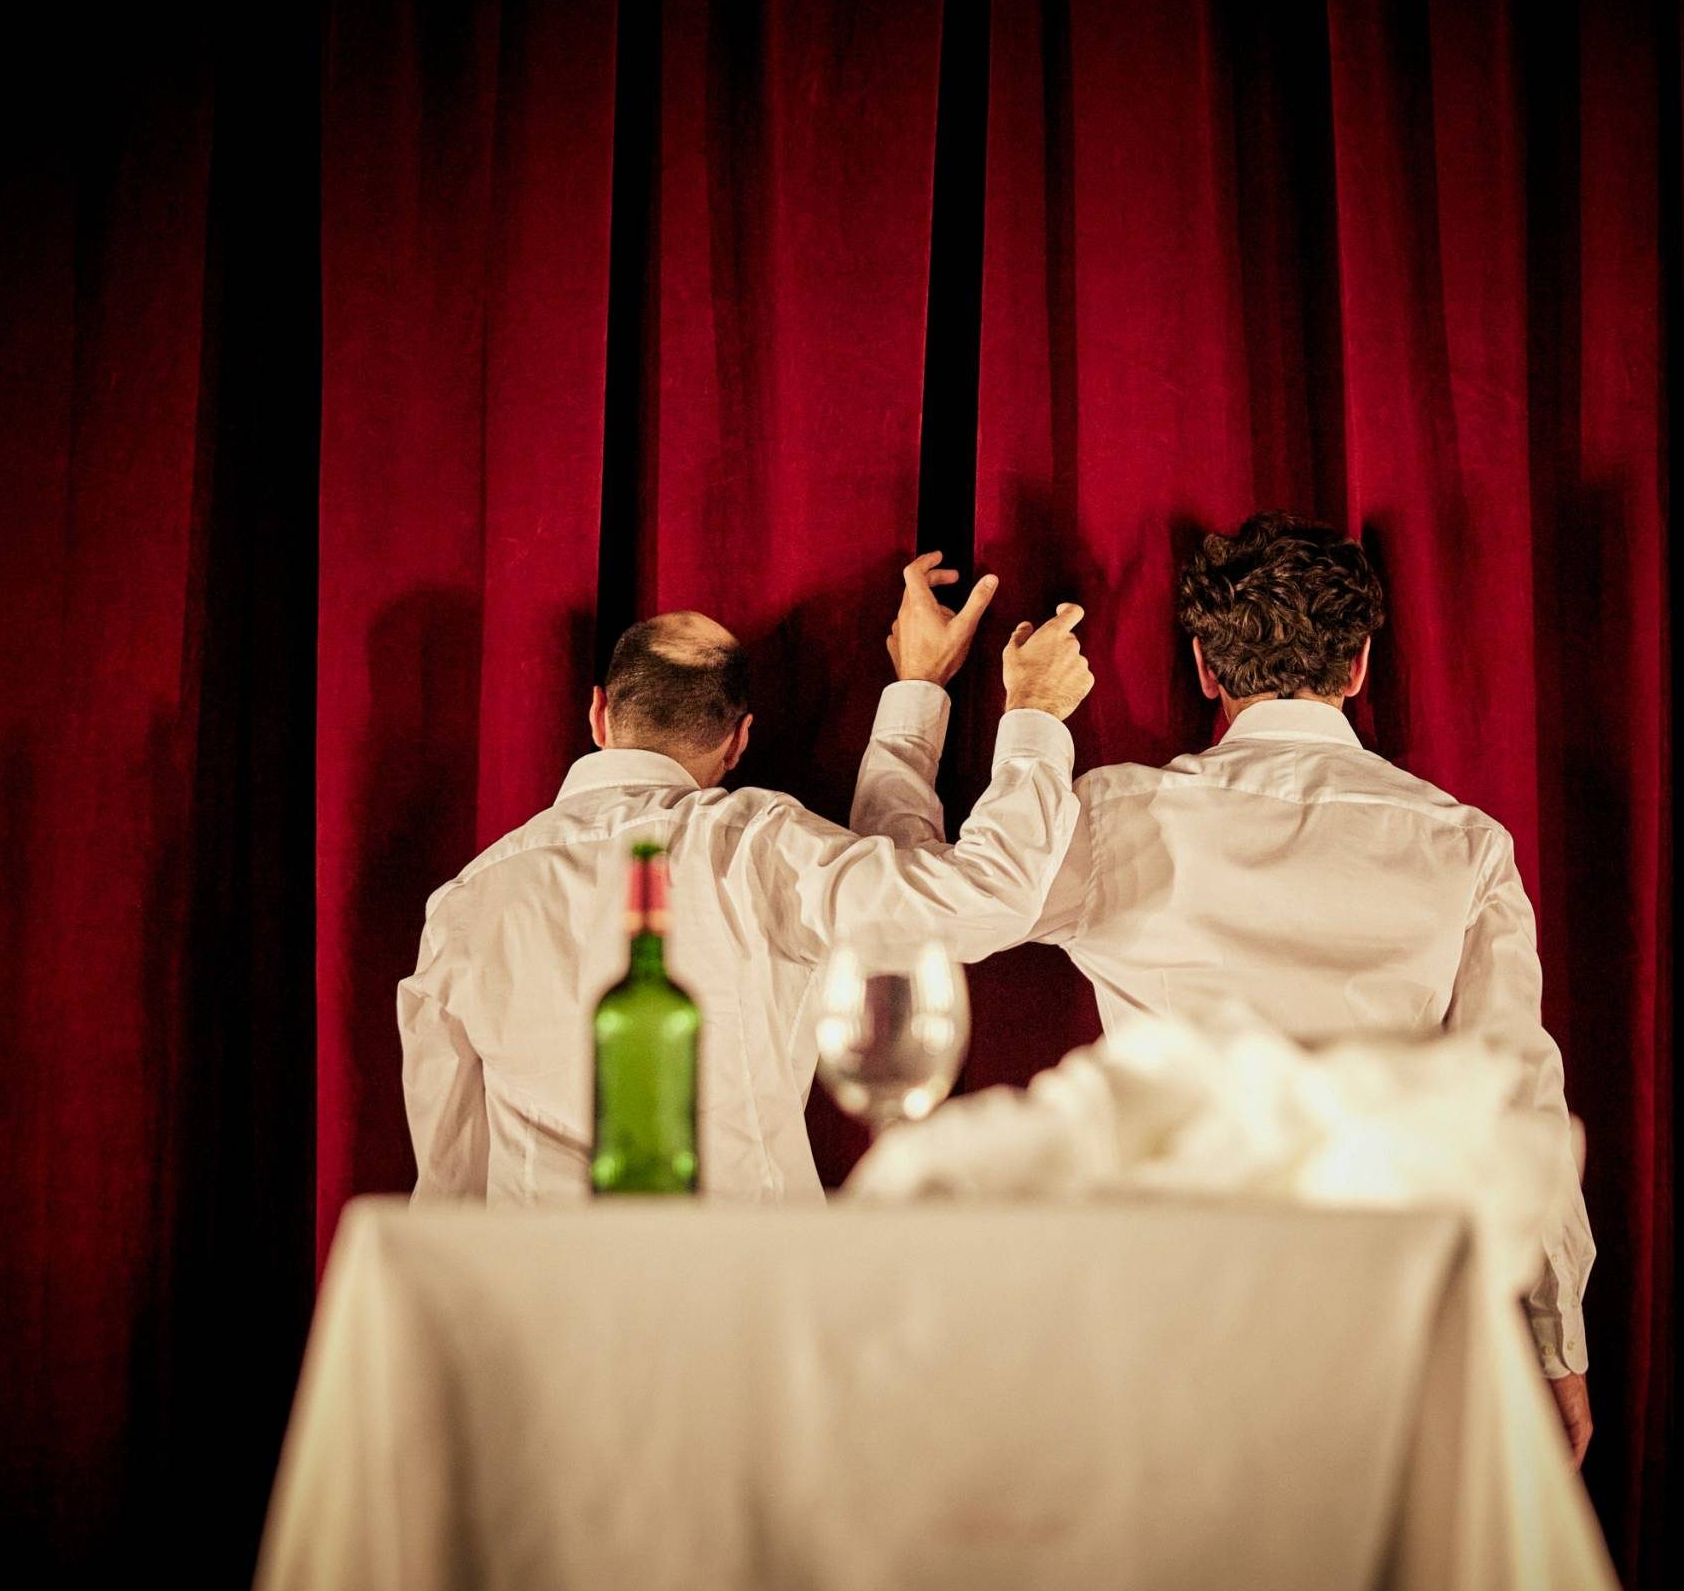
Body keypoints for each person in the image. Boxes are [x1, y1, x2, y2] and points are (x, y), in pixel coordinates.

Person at [861, 512, 1599, 1465]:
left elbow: (904, 917)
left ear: (1205, 670)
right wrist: (1555, 1341)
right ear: (1361, 665)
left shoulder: (1111, 818)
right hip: (1385, 1319)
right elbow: (1522, 1096)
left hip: (1168, 1311)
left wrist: (918, 698)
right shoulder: (1467, 845)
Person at [398, 553, 1094, 1204]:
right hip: (749, 1296)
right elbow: (975, 897)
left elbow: (447, 1182)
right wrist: (1028, 708)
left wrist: (918, 697)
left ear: (599, 715)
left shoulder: (463, 904)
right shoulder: (757, 849)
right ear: (740, 741)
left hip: (541, 1311)